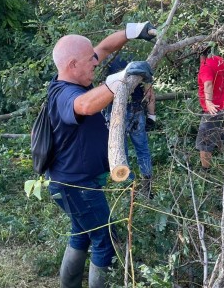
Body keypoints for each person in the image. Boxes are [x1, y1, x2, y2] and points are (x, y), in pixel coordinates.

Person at [46, 22, 155, 288]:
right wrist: (116, 82)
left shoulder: (76, 72)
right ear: (72, 65)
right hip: (76, 186)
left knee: (81, 234)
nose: (96, 63)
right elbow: (83, 105)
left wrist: (133, 32)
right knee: (104, 241)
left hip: (78, 182)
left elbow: (104, 47)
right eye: (90, 61)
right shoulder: (65, 94)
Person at [102, 54, 156, 198]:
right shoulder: (137, 60)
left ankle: (129, 189)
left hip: (115, 111)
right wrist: (152, 115)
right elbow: (149, 91)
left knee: (121, 152)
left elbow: (101, 91)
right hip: (136, 110)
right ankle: (147, 187)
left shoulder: (106, 62)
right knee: (142, 150)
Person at [195, 44, 224, 169]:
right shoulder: (220, 60)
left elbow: (208, 84)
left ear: (200, 55)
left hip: (214, 110)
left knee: (204, 141)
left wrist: (208, 102)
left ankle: (205, 172)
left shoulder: (205, 66)